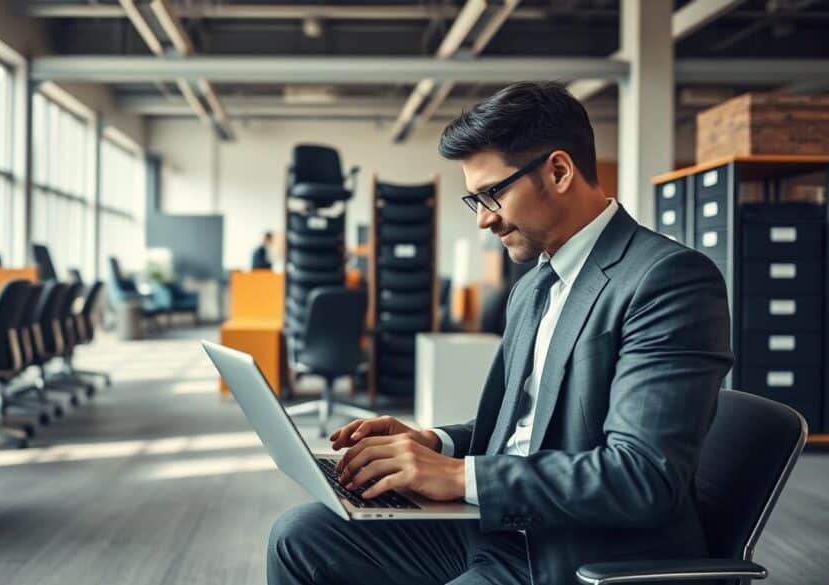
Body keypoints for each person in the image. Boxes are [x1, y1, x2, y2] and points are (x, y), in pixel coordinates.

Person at [267, 81, 733, 585]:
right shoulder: (533, 286)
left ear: (558, 171)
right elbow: (519, 431)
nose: (485, 219)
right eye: (476, 200)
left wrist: (455, 477)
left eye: (492, 194)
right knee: (301, 537)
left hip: (582, 550)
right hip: (497, 524)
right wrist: (434, 443)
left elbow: (642, 478)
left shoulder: (667, 279)